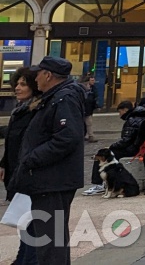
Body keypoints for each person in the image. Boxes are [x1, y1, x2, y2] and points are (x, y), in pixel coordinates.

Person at [13, 56, 86, 265]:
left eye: (38, 73)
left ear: (48, 75)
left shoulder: (64, 98)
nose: (35, 78)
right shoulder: (54, 97)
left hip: (53, 181)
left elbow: (68, 137)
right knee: (50, 241)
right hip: (49, 180)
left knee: (50, 243)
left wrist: (31, 159)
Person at [2, 67, 42, 265]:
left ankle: (27, 260)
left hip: (28, 173)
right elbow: (12, 140)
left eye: (23, 84)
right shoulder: (20, 109)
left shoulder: (36, 111)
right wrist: (3, 163)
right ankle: (23, 258)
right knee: (24, 221)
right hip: (15, 172)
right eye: (16, 83)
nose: (17, 88)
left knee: (31, 221)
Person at [82, 99, 145, 196]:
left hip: (132, 149)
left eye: (120, 111)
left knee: (101, 156)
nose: (119, 114)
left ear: (125, 110)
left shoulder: (131, 120)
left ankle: (98, 184)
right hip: (135, 147)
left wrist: (111, 147)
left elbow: (126, 140)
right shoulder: (137, 118)